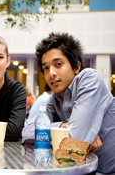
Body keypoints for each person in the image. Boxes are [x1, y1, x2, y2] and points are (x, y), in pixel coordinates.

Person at [35, 32, 115, 174]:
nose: (51, 73)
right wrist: (64, 126)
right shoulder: (54, 100)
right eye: (46, 68)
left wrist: (51, 129)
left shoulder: (90, 79)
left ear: (76, 67)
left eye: (58, 64)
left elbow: (75, 143)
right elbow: (27, 131)